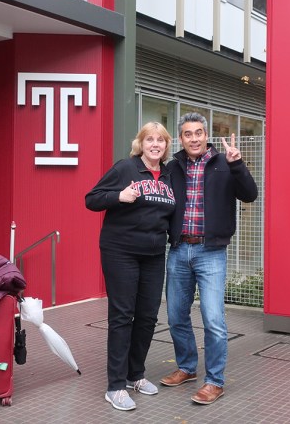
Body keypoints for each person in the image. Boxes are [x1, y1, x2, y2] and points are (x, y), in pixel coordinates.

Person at [160, 112, 258, 405]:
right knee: (176, 316)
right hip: (179, 250)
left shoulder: (224, 163)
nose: (194, 139)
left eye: (198, 133)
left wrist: (237, 164)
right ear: (181, 138)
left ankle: (214, 381)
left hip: (211, 252)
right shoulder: (173, 167)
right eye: (188, 134)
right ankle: (187, 367)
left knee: (213, 319)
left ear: (206, 135)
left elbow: (250, 195)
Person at [85, 122, 176, 411]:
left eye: (160, 140)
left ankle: (134, 374)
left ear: (166, 146)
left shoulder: (169, 175)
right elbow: (92, 199)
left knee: (148, 317)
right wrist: (118, 196)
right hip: (121, 251)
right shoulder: (125, 168)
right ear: (141, 143)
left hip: (154, 255)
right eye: (150, 139)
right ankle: (115, 386)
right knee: (122, 316)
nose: (155, 144)